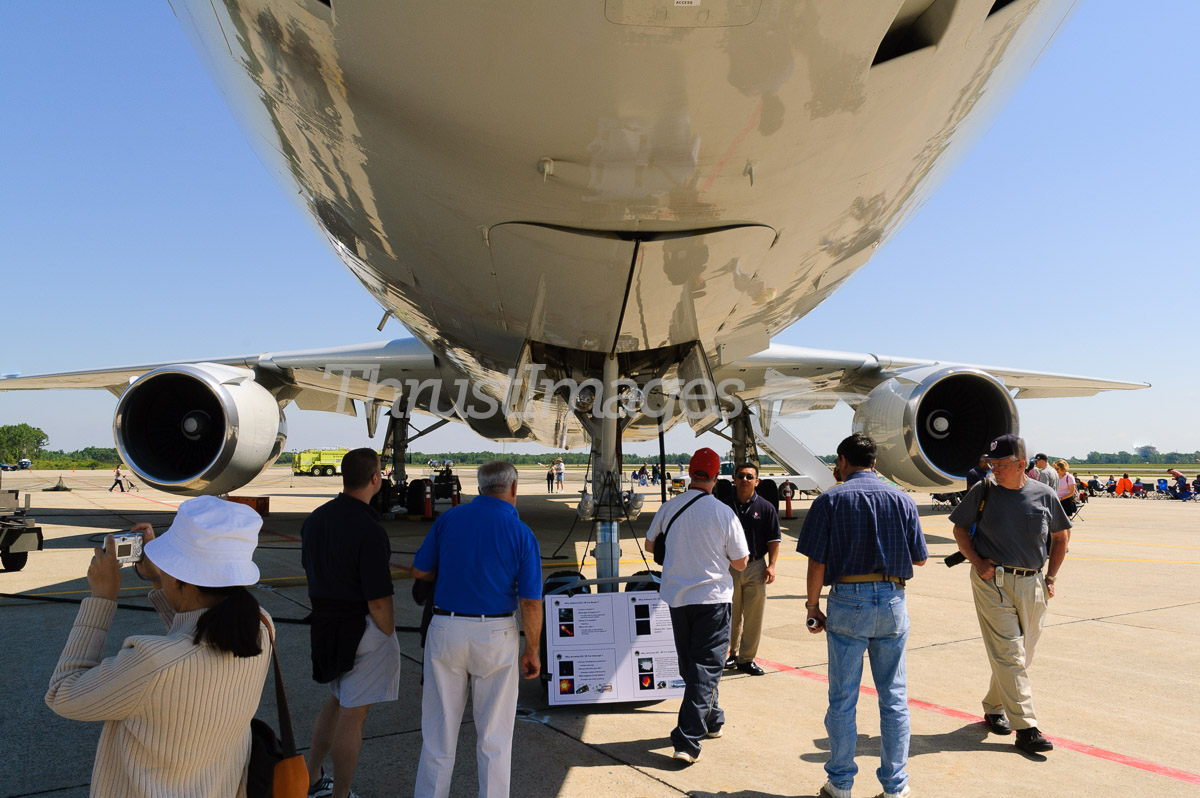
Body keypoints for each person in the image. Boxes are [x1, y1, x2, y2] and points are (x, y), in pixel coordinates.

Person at [46, 496, 272, 797]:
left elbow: (63, 694)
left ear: (181, 579)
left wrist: (101, 598)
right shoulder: (260, 627)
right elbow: (192, 644)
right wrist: (158, 578)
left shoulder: (152, 663)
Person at [797, 434, 927, 798]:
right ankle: (896, 787)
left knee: (842, 699)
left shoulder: (830, 500)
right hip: (891, 599)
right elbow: (919, 557)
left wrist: (812, 606)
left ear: (842, 461)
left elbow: (817, 562)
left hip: (848, 600)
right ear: (875, 462)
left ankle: (840, 783)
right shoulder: (902, 499)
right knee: (894, 698)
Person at [410, 461, 542, 798]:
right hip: (495, 633)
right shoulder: (522, 533)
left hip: (446, 628)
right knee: (494, 738)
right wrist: (532, 650)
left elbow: (419, 571)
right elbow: (530, 602)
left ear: (480, 488)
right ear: (513, 489)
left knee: (438, 735)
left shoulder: (449, 519)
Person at [949, 434, 1070, 755]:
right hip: (992, 581)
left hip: (1033, 583)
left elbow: (1061, 537)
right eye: (991, 464)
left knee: (1023, 655)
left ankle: (993, 705)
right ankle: (1026, 727)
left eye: (1001, 464)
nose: (994, 470)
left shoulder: (1044, 495)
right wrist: (976, 561)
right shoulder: (983, 491)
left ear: (1020, 465)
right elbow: (960, 528)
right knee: (1009, 654)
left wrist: (1052, 576)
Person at [302, 448, 401, 798]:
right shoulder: (369, 528)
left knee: (336, 702)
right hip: (360, 629)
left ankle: (311, 778)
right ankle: (340, 794)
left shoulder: (315, 519)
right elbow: (378, 597)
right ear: (375, 478)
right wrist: (387, 631)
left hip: (325, 626)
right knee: (352, 716)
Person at [644, 447, 748, 764]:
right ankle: (687, 740)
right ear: (716, 477)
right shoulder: (722, 512)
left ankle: (713, 719)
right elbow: (742, 563)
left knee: (692, 664)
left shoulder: (669, 506)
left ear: (690, 473)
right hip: (713, 601)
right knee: (705, 666)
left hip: (677, 599)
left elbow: (650, 546)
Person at [720, 462, 781, 676]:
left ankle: (747, 659)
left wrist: (772, 566)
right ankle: (731, 654)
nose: (745, 480)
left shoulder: (766, 508)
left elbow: (774, 540)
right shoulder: (724, 507)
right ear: (734, 480)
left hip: (756, 566)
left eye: (749, 476)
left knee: (754, 615)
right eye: (741, 476)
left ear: (757, 481)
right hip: (730, 567)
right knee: (731, 615)